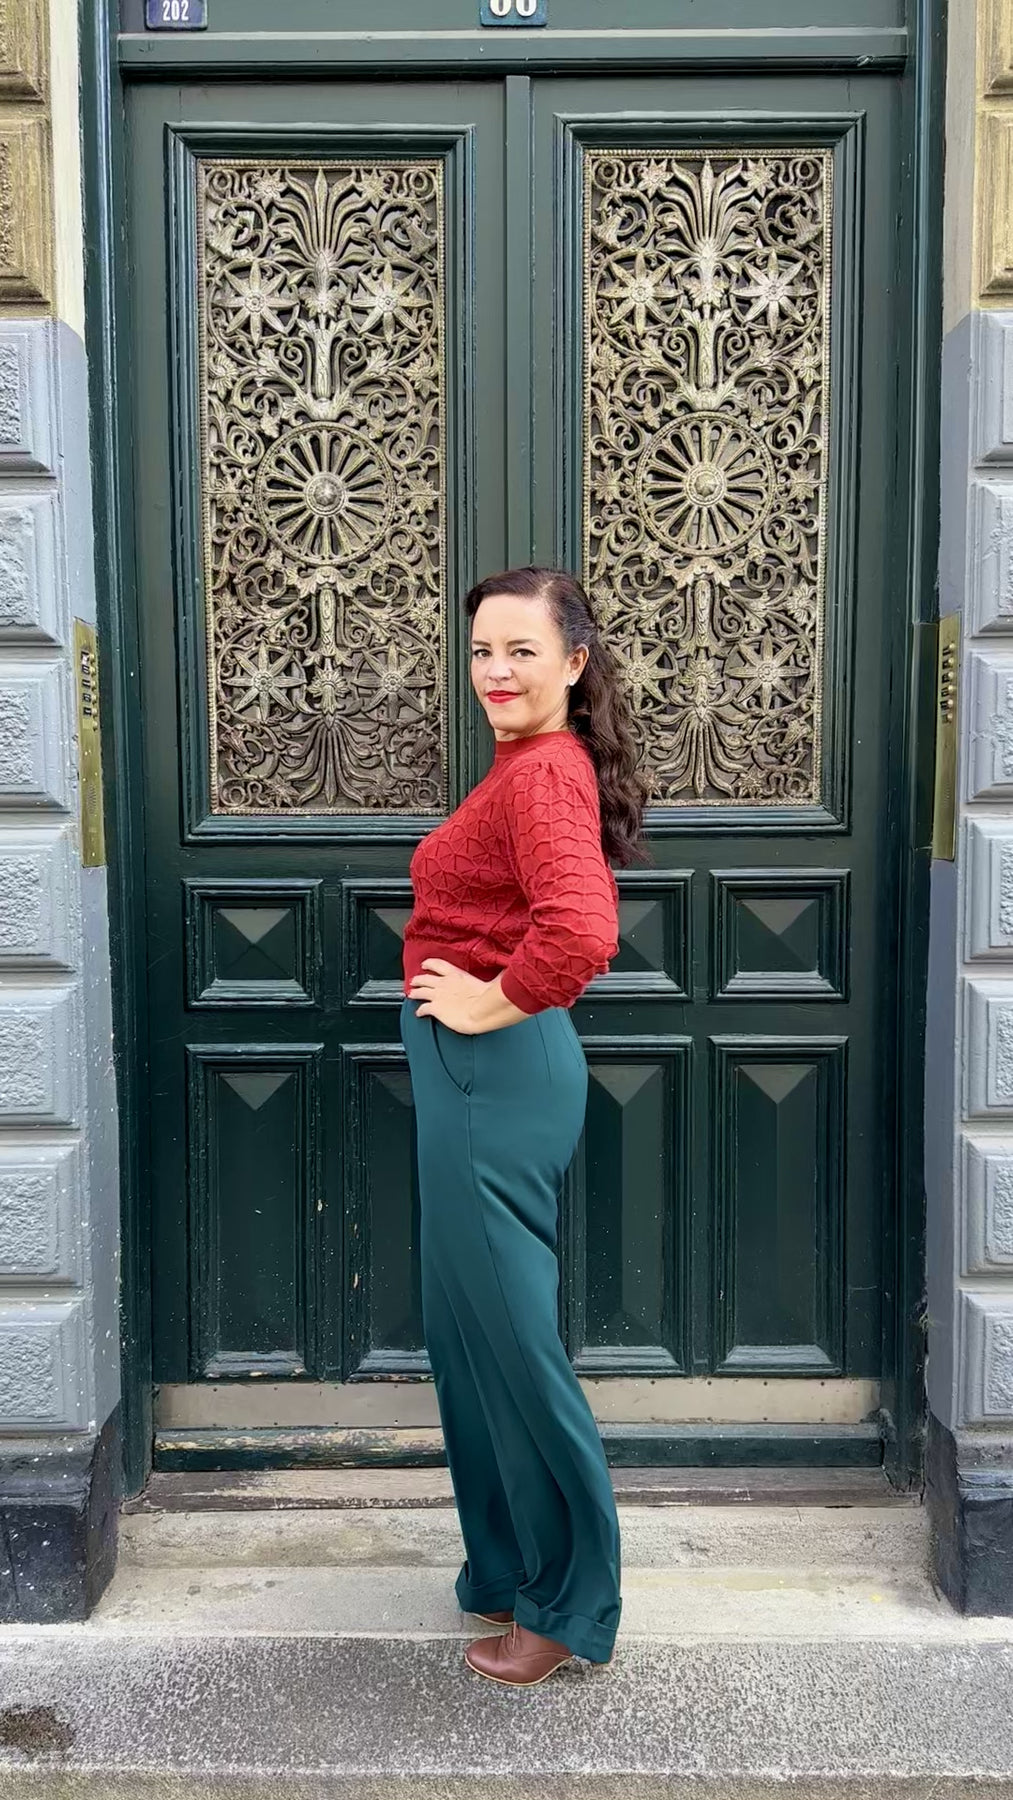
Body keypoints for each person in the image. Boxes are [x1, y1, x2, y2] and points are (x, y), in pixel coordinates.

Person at [399, 565, 651, 1687]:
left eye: (520, 651)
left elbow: (581, 931)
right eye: (480, 651)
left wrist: (489, 1001)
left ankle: (564, 1605)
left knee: (510, 1344)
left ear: (573, 662)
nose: (495, 671)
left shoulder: (546, 771)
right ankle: (508, 1570)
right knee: (468, 1343)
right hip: (473, 1078)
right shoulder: (523, 764)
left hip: (494, 1075)